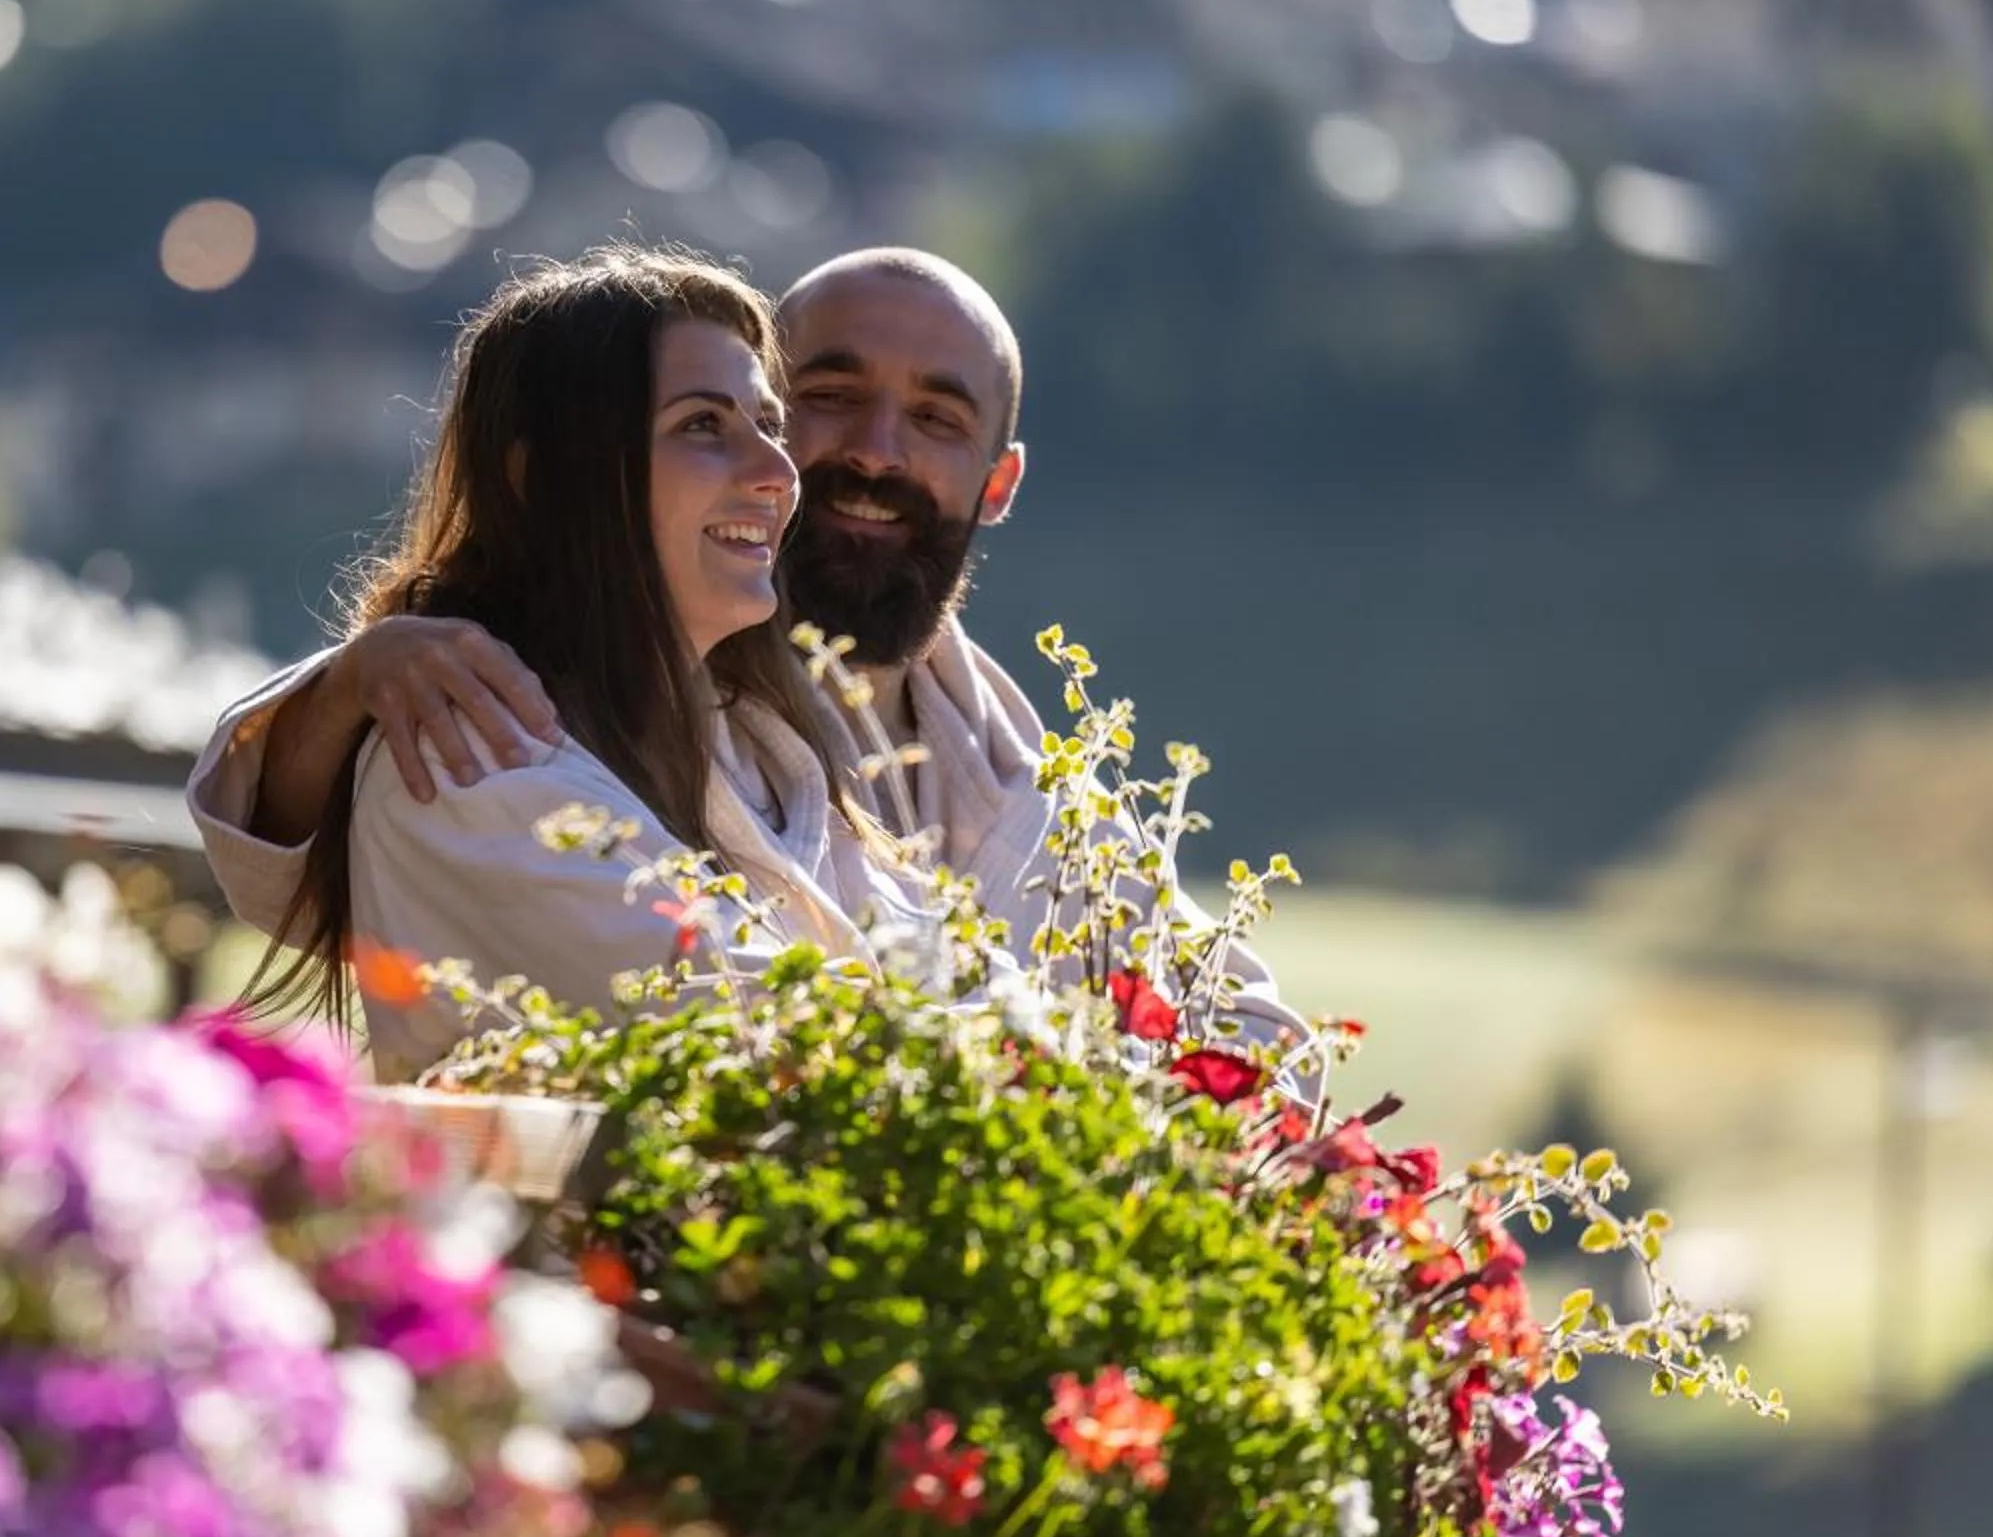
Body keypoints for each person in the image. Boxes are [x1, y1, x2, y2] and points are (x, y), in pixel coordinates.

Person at [192, 246, 1302, 1053]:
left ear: (998, 481)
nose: (862, 455)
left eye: (936, 419)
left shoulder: (970, 751)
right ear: (555, 476)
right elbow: (802, 1046)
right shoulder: (479, 731)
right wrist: (353, 681)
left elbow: (1236, 1020)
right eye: (825, 398)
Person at [220, 245, 942, 1079]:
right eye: (703, 425)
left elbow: (952, 995)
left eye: (769, 425)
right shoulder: (467, 762)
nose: (778, 472)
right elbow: (773, 1045)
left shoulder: (758, 751)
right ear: (546, 478)